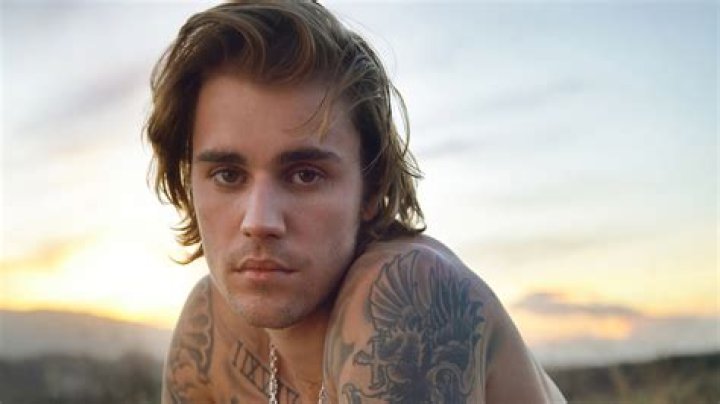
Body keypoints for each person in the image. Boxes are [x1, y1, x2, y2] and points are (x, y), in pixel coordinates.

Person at [146, 1, 566, 403]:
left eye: (305, 175)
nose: (259, 221)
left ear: (372, 188)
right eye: (227, 175)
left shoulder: (405, 293)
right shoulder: (208, 329)